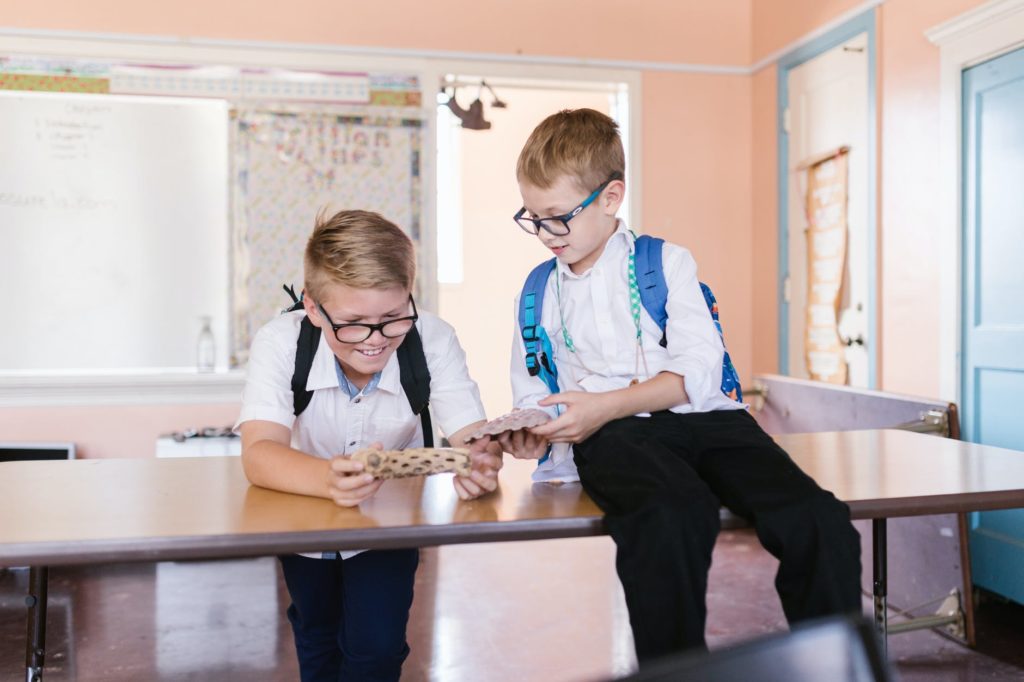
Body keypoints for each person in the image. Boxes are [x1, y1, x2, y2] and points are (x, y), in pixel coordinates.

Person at [498, 108, 862, 663]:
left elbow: (699, 369)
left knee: (819, 520)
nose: (546, 233)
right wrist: (537, 428)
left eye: (558, 217)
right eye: (534, 218)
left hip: (709, 421)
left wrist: (603, 405)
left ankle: (838, 669)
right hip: (617, 437)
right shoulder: (539, 290)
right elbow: (534, 385)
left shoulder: (666, 262)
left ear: (611, 197)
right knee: (670, 516)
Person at [236, 208, 502, 682]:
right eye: (354, 323)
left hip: (390, 520)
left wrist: (481, 459)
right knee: (317, 631)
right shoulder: (280, 342)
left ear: (409, 297)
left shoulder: (433, 341)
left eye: (393, 317)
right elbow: (259, 453)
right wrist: (326, 479)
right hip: (303, 517)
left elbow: (471, 435)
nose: (375, 340)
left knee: (377, 649)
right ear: (314, 309)